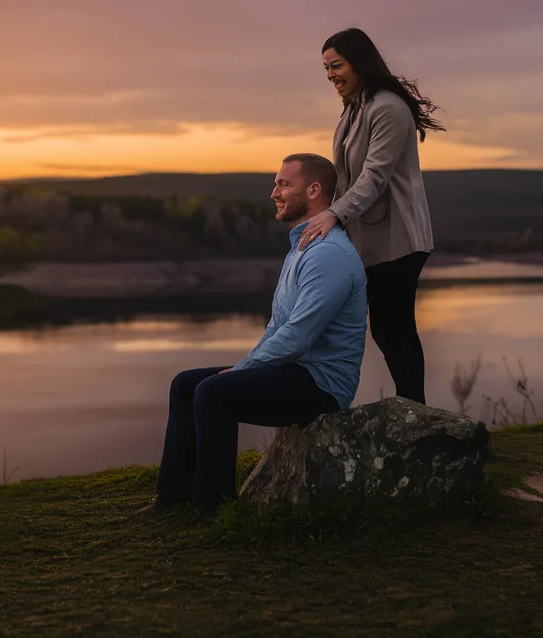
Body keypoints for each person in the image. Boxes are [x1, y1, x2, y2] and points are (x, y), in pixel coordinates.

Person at [142, 154, 367, 516]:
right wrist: (249, 366)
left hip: (321, 385)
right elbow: (278, 325)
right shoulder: (302, 249)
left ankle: (212, 508)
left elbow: (297, 336)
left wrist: (244, 369)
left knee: (214, 392)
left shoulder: (330, 255)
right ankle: (172, 499)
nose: (274, 192)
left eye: (283, 184)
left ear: (313, 191)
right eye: (276, 183)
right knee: (185, 384)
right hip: (294, 371)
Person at [298, 28, 444, 404]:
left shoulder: (387, 108)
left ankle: (414, 414)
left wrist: (333, 214)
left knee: (393, 329)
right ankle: (415, 412)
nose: (331, 74)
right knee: (391, 328)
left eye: (337, 65)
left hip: (399, 239)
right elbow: (346, 175)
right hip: (374, 240)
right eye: (326, 67)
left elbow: (374, 178)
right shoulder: (356, 107)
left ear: (359, 63)